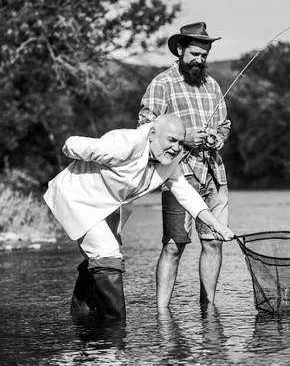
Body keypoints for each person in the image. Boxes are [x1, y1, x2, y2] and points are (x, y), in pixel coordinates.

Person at [44, 114, 234, 321]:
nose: (177, 147)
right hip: (78, 200)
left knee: (99, 257)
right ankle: (114, 328)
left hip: (109, 206)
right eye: (171, 140)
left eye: (180, 142)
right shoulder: (123, 144)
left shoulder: (170, 160)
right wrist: (80, 156)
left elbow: (188, 196)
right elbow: (71, 144)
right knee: (107, 255)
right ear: (152, 134)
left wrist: (218, 226)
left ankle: (82, 316)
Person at [138, 21, 231, 307]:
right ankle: (162, 312)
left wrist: (218, 137)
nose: (199, 60)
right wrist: (184, 137)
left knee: (214, 242)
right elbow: (145, 126)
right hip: (178, 176)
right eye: (194, 54)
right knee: (173, 246)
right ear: (179, 50)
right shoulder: (161, 83)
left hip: (214, 175)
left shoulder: (213, 86)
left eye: (204, 55)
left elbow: (225, 124)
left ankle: (209, 308)